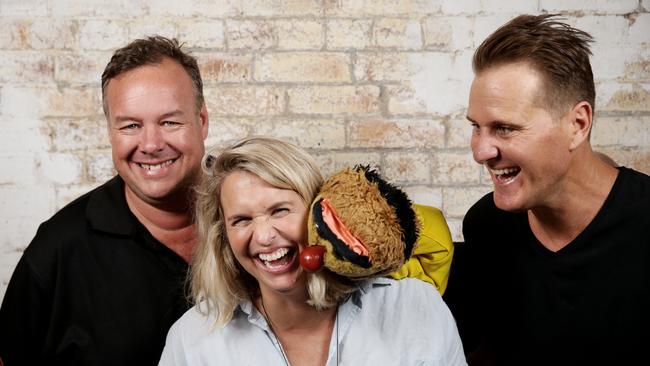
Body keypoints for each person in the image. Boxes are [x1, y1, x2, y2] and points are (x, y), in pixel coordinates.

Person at [443, 14, 650, 365]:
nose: (480, 152)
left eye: (505, 128)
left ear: (577, 124)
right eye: (477, 126)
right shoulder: (487, 225)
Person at [159, 136, 467, 365]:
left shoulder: (413, 307)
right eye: (241, 220)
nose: (264, 236)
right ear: (223, 236)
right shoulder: (193, 340)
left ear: (318, 211)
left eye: (280, 210)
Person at [0, 36, 209, 365]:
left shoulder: (259, 223)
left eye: (170, 122)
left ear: (202, 121)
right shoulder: (57, 250)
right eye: (130, 125)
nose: (151, 144)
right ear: (111, 133)